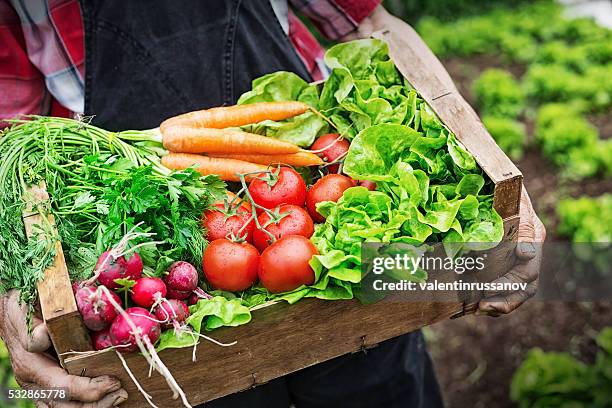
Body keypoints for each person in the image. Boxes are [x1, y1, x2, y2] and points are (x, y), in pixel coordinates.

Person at [0, 1, 546, 407]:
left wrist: (492, 168)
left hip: (318, 175)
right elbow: (11, 140)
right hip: (138, 237)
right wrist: (14, 297)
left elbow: (371, 27)